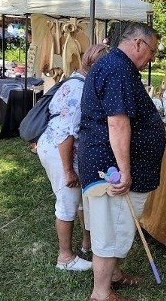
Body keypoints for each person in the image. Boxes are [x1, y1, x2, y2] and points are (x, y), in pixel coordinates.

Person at [78, 22, 166, 301]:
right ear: (139, 43)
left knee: (117, 224)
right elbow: (117, 123)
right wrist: (125, 171)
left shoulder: (118, 66)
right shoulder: (117, 69)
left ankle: (113, 276)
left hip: (109, 161)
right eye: (152, 50)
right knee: (110, 229)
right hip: (110, 167)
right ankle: (101, 295)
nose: (152, 57)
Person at [36, 44, 110, 272]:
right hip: (61, 152)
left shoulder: (79, 82)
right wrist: (68, 170)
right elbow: (66, 133)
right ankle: (65, 257)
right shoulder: (79, 90)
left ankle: (86, 242)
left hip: (59, 148)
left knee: (79, 200)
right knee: (67, 202)